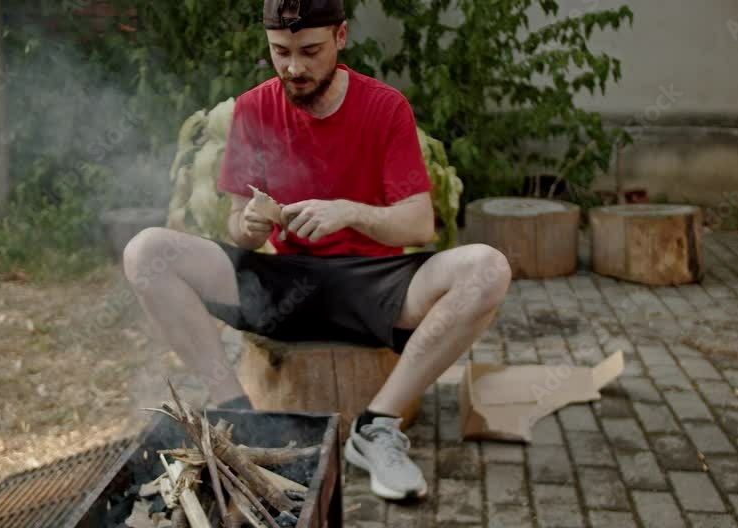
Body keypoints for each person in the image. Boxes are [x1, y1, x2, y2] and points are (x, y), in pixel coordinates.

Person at [122, 0, 511, 501]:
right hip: (281, 282)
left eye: (310, 51)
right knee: (145, 251)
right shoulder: (254, 107)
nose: (294, 67)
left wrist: (350, 211)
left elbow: (419, 222)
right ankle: (238, 418)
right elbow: (238, 227)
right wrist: (249, 223)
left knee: (487, 268)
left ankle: (376, 427)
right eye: (280, 52)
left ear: (341, 36)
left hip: (374, 283)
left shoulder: (385, 106)